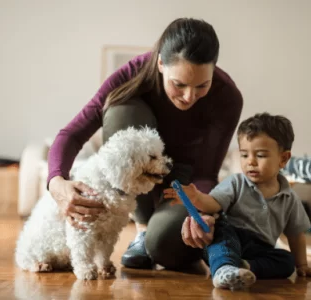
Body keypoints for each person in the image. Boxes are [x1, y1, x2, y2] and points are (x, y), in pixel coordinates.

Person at [46, 17, 243, 270]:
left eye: (202, 86)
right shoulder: (133, 73)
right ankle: (141, 228)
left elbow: (206, 173)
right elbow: (72, 134)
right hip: (139, 177)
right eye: (179, 84)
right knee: (120, 109)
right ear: (161, 63)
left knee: (163, 245)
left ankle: (154, 237)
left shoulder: (228, 97)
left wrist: (203, 211)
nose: (189, 97)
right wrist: (56, 181)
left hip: (182, 185)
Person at [164, 113, 311, 290]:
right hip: (228, 237)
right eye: (244, 155)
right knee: (223, 233)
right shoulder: (236, 183)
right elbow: (213, 203)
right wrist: (196, 198)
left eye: (261, 155)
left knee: (287, 261)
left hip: (260, 248)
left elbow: (296, 235)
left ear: (283, 159)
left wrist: (302, 265)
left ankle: (244, 267)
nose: (251, 162)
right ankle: (223, 270)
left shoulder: (290, 198)